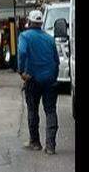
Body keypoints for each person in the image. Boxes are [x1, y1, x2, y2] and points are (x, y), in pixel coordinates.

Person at [18, 9, 61, 155]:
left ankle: (35, 142)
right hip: (49, 80)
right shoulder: (49, 39)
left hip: (33, 79)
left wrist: (21, 71)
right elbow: (56, 61)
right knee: (50, 111)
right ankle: (50, 146)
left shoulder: (24, 36)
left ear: (29, 22)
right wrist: (53, 76)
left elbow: (22, 53)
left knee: (32, 110)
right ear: (41, 23)